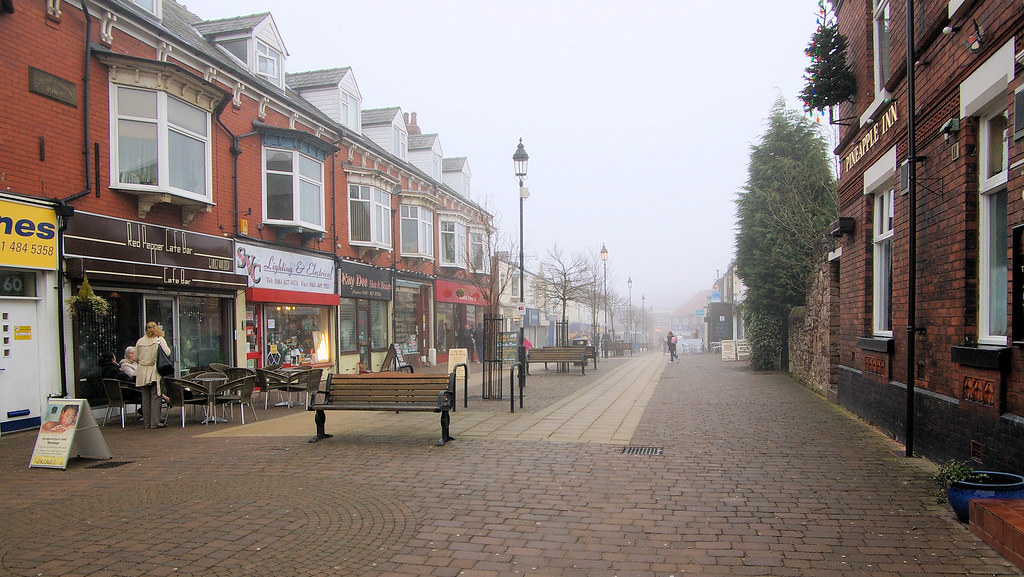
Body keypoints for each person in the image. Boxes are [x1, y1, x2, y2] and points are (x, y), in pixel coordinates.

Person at [135, 321, 171, 429]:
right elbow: (168, 352)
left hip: (142, 372)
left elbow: (136, 357)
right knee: (156, 396)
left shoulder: (140, 341)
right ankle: (155, 422)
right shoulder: (159, 340)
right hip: (154, 371)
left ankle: (146, 422)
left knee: (145, 398)